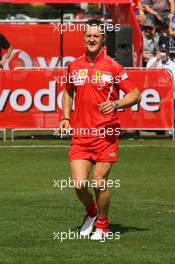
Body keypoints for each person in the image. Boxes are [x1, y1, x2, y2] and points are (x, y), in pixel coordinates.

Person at [59, 19, 141, 241]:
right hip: (81, 135)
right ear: (83, 38)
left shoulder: (114, 66)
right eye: (88, 36)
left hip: (106, 134)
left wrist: (116, 104)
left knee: (99, 182)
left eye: (96, 36)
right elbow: (68, 91)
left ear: (103, 39)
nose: (92, 39)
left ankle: (103, 225)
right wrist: (66, 116)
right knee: (78, 184)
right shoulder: (73, 66)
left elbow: (135, 93)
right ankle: (91, 212)